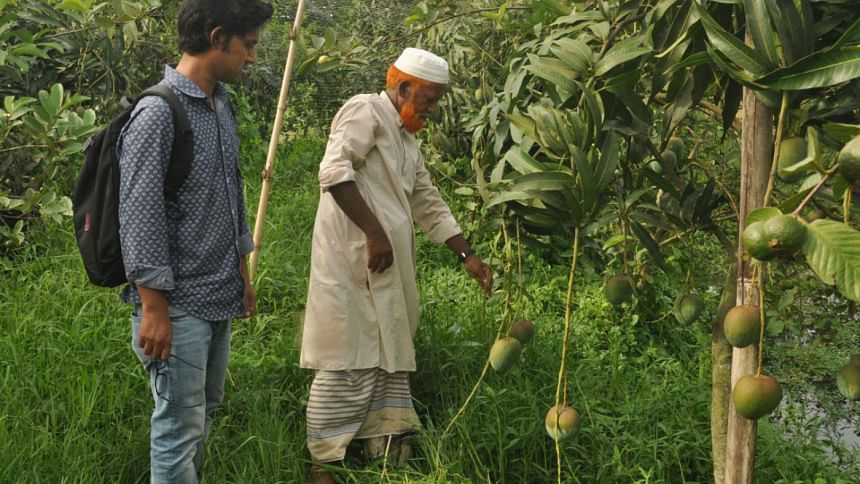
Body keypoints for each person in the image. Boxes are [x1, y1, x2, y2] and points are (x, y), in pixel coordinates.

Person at [300, 47, 493, 482]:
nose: (433, 109)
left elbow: (426, 199)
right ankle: (323, 463)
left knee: (388, 348)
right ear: (404, 87)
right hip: (351, 259)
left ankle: (382, 446)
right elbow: (333, 172)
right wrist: (374, 232)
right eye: (429, 98)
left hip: (384, 265)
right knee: (347, 358)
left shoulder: (406, 138)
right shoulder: (364, 111)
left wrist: (467, 255)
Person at [116, 0, 272, 481]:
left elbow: (231, 196)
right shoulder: (158, 114)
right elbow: (139, 217)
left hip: (217, 292)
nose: (252, 57)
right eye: (248, 45)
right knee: (178, 430)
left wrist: (241, 274)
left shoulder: (219, 105)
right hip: (176, 306)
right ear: (218, 37)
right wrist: (154, 309)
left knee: (201, 414)